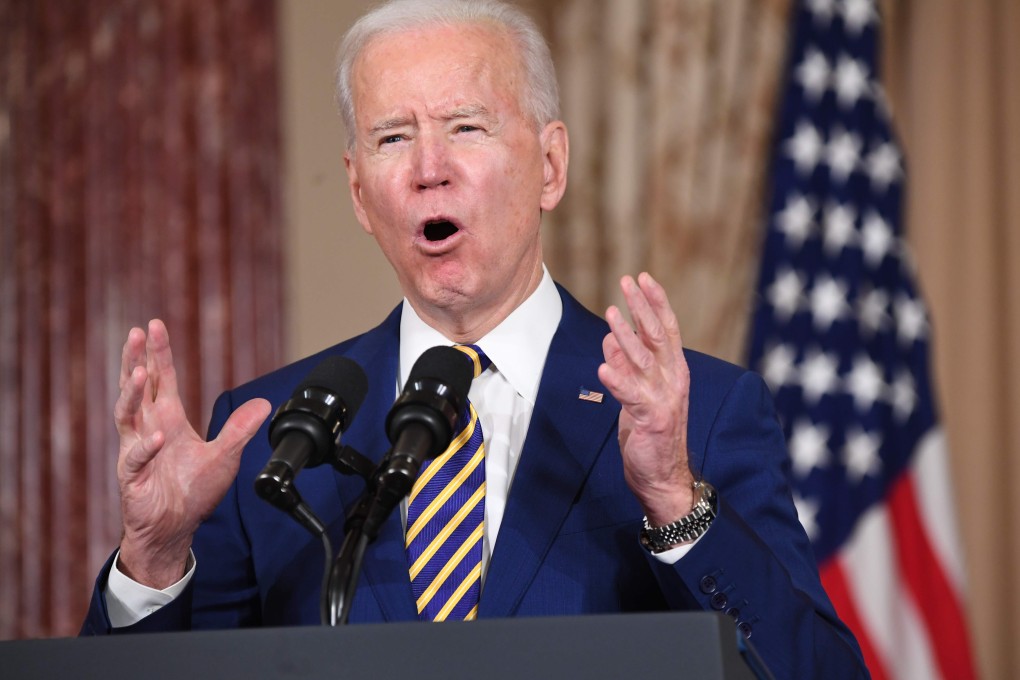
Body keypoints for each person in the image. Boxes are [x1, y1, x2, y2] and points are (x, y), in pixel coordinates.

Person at [81, 0, 868, 677]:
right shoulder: (271, 434)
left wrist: (672, 500)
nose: (430, 168)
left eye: (466, 127)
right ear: (358, 191)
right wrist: (151, 559)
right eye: (393, 138)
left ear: (550, 166)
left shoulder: (699, 411)